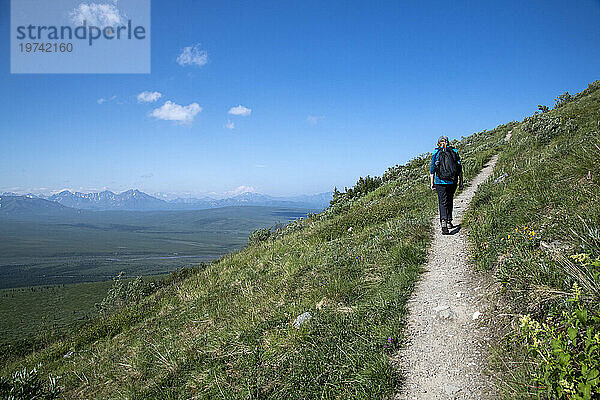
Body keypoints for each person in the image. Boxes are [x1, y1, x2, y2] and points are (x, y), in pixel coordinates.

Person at [430, 136, 463, 235]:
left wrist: (432, 183)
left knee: (442, 202)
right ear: (448, 142)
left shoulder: (436, 152)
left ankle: (443, 222)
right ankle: (449, 221)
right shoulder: (454, 151)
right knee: (450, 200)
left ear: (438, 143)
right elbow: (459, 168)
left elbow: (432, 169)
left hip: (440, 182)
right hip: (452, 181)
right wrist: (461, 182)